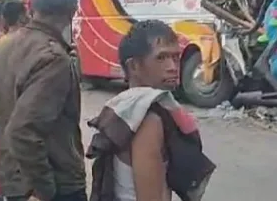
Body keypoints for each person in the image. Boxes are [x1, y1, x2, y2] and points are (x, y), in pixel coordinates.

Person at [86, 20, 215, 201]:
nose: (172, 67)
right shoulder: (147, 119)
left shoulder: (128, 109)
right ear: (134, 66)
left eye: (175, 57)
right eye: (161, 58)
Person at [0, 0, 86, 201]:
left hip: (14, 181)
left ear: (31, 5)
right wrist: (44, 190)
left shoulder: (7, 46)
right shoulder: (53, 58)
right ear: (73, 10)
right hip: (53, 186)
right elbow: (23, 131)